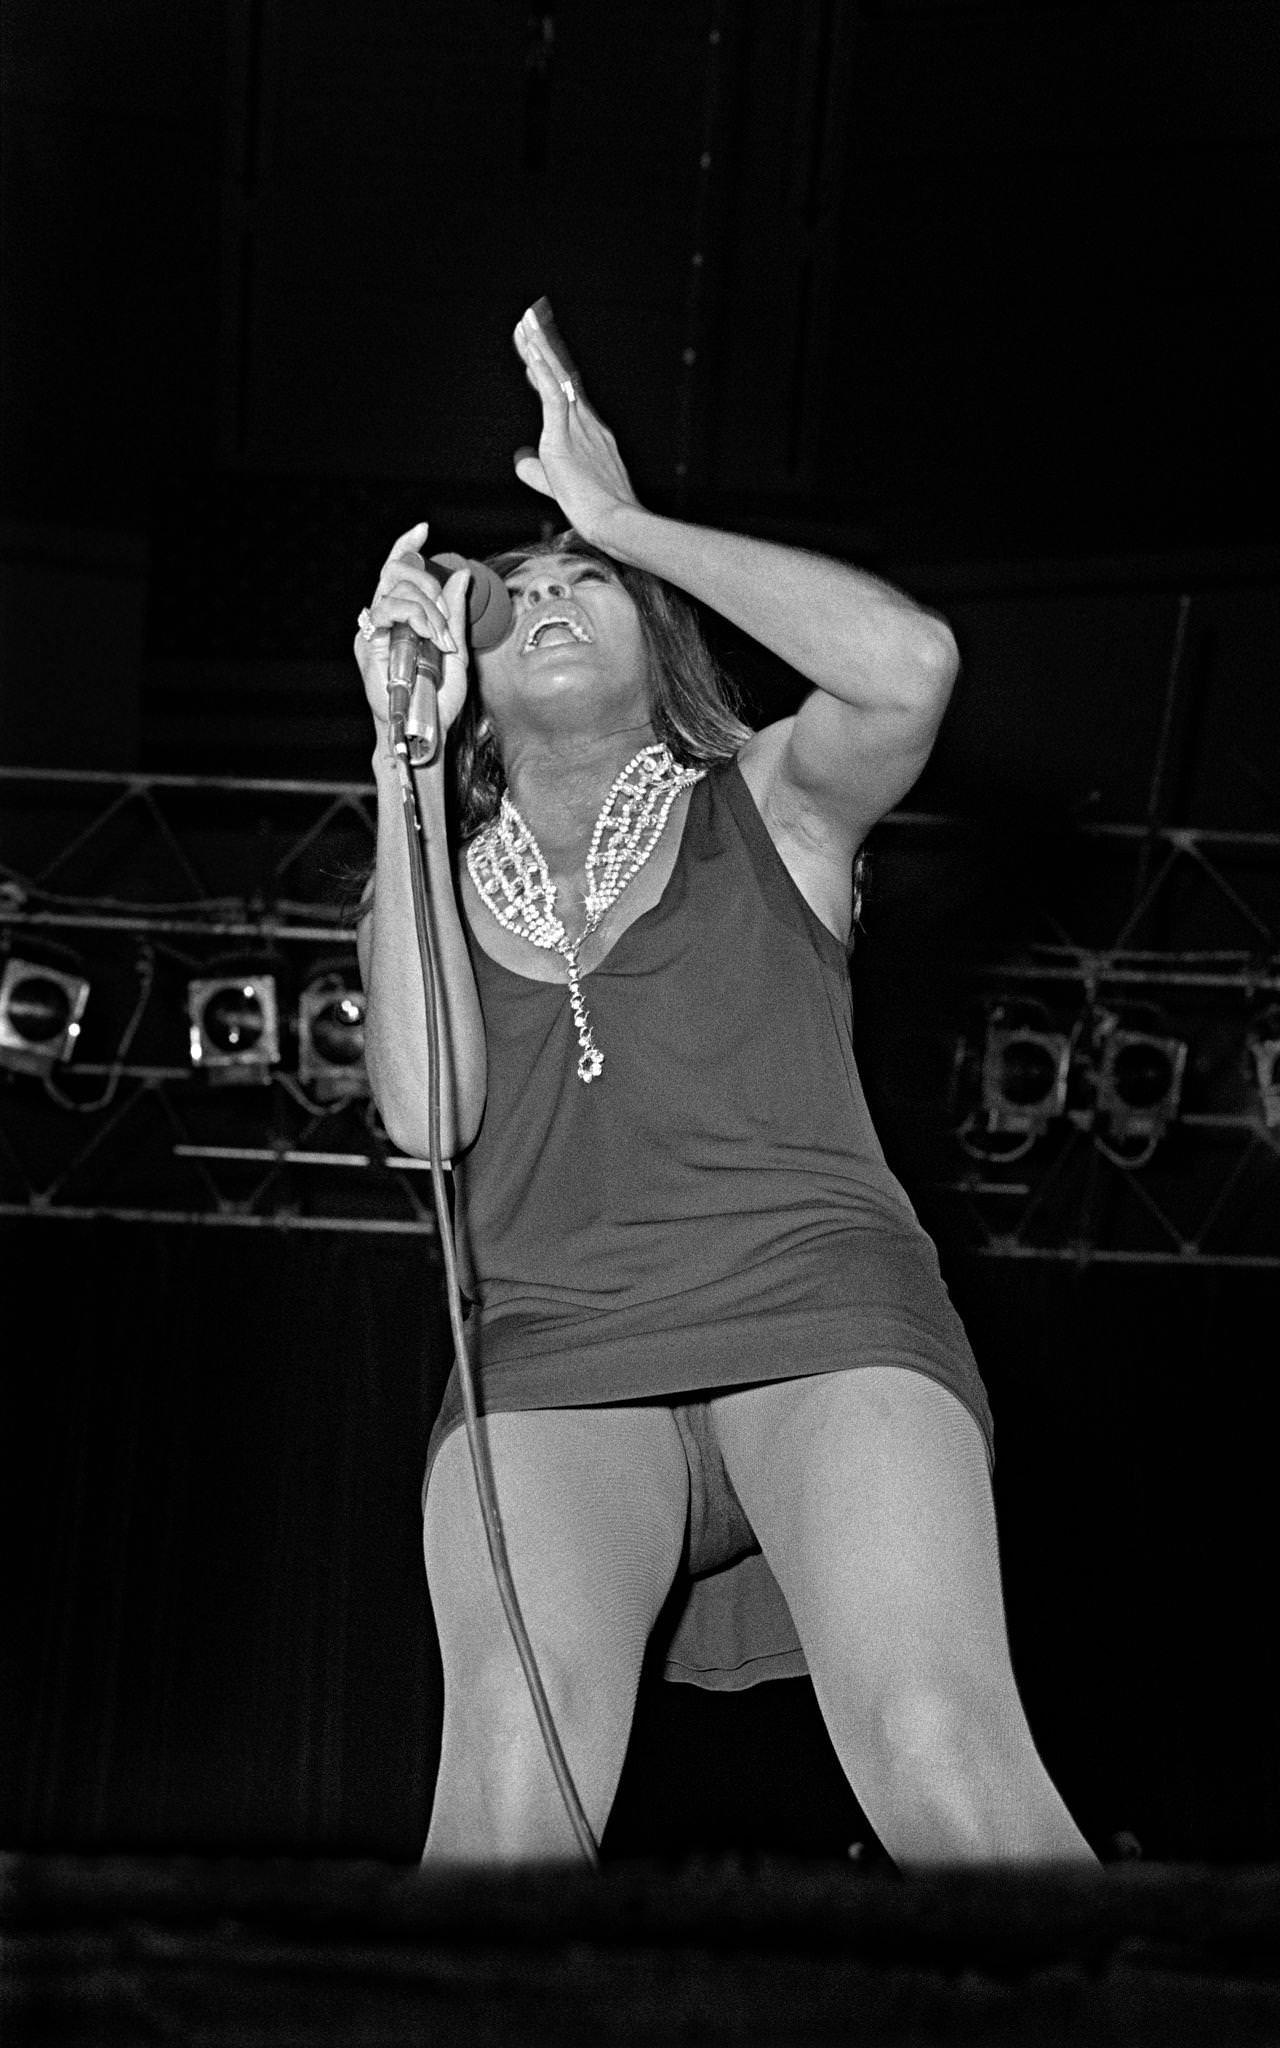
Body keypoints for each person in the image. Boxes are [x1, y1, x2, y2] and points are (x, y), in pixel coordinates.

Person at [354, 303, 1094, 1867]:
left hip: (818, 1306)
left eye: (586, 582)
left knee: (938, 1744)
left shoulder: (764, 804)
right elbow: (426, 1119)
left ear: (660, 636)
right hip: (554, 1348)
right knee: (506, 1784)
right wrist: (399, 769)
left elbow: (910, 666)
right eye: (518, 593)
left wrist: (624, 518)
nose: (551, 595)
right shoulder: (426, 863)